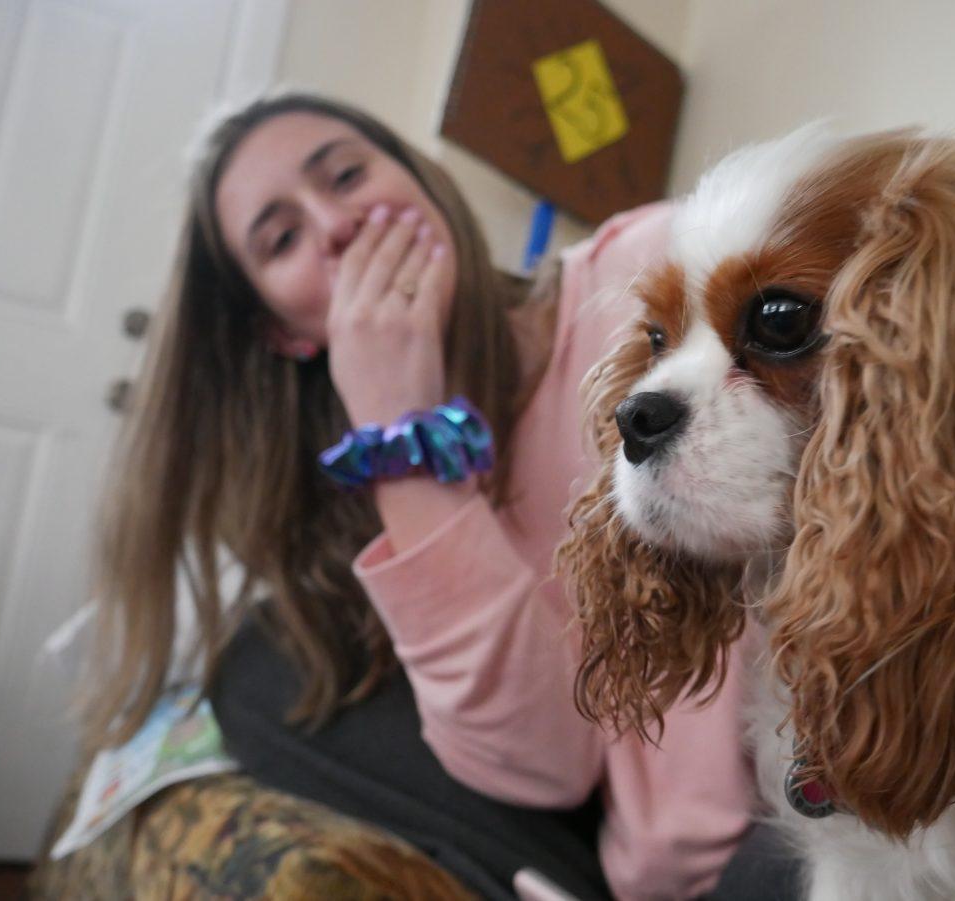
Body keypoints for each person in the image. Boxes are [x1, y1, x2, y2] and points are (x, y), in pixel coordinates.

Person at [84, 91, 758, 900]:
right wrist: (401, 447)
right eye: (284, 237)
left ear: (424, 182)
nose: (336, 222)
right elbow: (549, 764)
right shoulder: (365, 510)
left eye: (345, 173)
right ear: (286, 334)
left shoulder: (648, 266)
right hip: (667, 869)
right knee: (256, 667)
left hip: (813, 808)